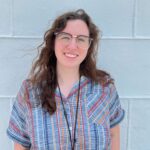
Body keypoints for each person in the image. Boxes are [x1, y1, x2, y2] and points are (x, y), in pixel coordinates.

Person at [7, 9, 125, 150]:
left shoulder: (104, 88)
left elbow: (114, 136)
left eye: (81, 39)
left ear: (89, 45)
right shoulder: (30, 91)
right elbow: (21, 144)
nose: (72, 45)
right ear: (53, 41)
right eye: (65, 37)